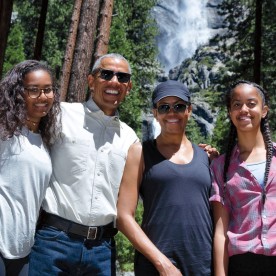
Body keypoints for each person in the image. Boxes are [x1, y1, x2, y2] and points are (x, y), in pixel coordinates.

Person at [29, 53, 139, 275]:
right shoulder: (59, 114)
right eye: (106, 74)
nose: (114, 82)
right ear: (91, 81)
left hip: (102, 249)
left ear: (129, 87)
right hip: (53, 242)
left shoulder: (130, 138)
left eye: (122, 77)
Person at [116, 80, 214, 275]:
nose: (172, 112)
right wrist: (163, 264)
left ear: (189, 110)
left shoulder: (206, 156)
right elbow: (123, 216)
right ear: (155, 113)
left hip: (202, 264)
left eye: (179, 106)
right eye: (164, 107)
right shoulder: (140, 152)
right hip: (156, 266)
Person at [0, 60, 61, 276]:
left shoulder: (42, 140)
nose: (42, 97)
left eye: (47, 90)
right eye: (33, 90)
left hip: (22, 251)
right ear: (18, 93)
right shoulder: (5, 134)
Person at [210, 80, 276, 276]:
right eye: (237, 105)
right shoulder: (221, 166)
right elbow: (220, 233)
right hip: (242, 265)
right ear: (230, 113)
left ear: (264, 110)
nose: (244, 109)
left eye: (251, 103)